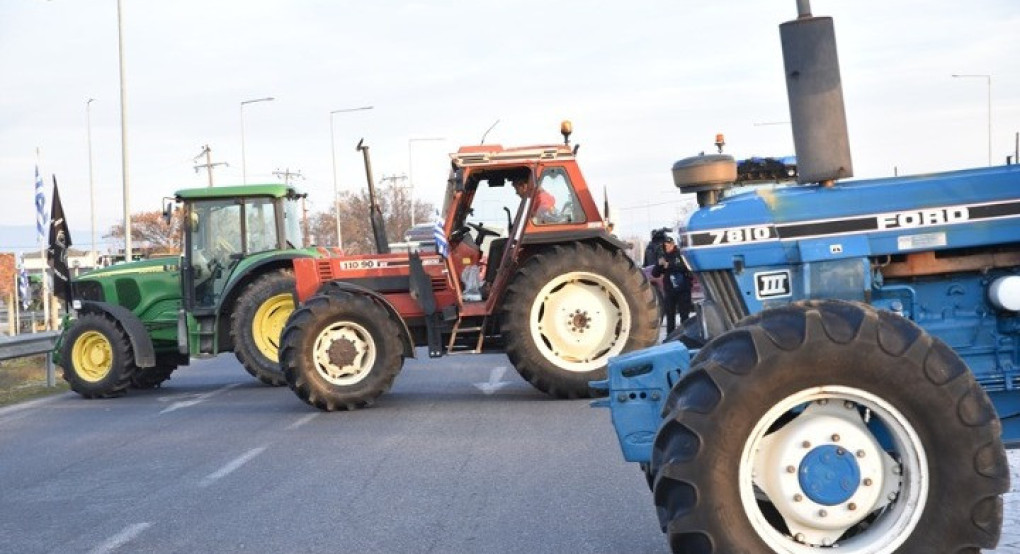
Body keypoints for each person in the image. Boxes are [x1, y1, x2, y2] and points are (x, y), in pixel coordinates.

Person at [651, 236, 693, 334]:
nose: (667, 247)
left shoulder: (680, 254)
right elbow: (655, 274)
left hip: (683, 289)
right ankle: (670, 336)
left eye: (669, 245)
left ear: (673, 245)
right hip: (670, 290)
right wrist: (659, 265)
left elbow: (686, 267)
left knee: (684, 315)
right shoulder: (663, 256)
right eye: (665, 245)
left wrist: (669, 265)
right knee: (670, 316)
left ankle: (686, 335)